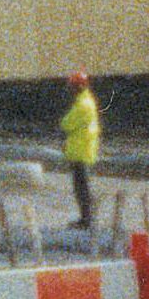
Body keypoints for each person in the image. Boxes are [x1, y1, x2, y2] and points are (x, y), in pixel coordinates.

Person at [59, 70, 99, 231]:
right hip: (80, 149)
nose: (70, 89)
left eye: (72, 86)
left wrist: (64, 122)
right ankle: (87, 218)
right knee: (81, 187)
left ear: (79, 86)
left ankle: (87, 220)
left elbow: (66, 123)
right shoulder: (85, 101)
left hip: (81, 151)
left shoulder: (83, 105)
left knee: (82, 188)